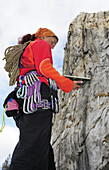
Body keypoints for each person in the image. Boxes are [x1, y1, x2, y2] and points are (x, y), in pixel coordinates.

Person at [8, 28, 82, 170]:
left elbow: (39, 73)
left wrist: (64, 83)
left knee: (41, 146)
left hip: (26, 101)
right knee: (32, 147)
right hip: (37, 100)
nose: (52, 46)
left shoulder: (27, 51)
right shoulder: (41, 44)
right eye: (52, 41)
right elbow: (44, 67)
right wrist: (67, 84)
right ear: (44, 37)